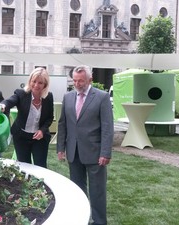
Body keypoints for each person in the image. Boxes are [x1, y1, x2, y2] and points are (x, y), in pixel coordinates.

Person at [56, 65, 114, 225]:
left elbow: (108, 126)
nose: (77, 84)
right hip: (73, 152)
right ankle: (80, 219)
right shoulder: (68, 97)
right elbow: (63, 124)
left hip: (95, 153)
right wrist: (60, 148)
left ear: (90, 80)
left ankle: (99, 221)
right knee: (77, 189)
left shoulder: (101, 97)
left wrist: (105, 152)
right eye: (74, 80)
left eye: (80, 81)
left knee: (97, 191)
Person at [0, 67, 54, 168]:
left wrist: (42, 130)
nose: (36, 85)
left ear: (45, 84)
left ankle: (40, 184)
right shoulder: (21, 93)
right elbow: (10, 101)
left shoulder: (48, 97)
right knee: (24, 167)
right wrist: (3, 105)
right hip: (21, 137)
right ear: (30, 81)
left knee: (40, 166)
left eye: (40, 83)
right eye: (34, 81)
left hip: (39, 138)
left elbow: (50, 117)